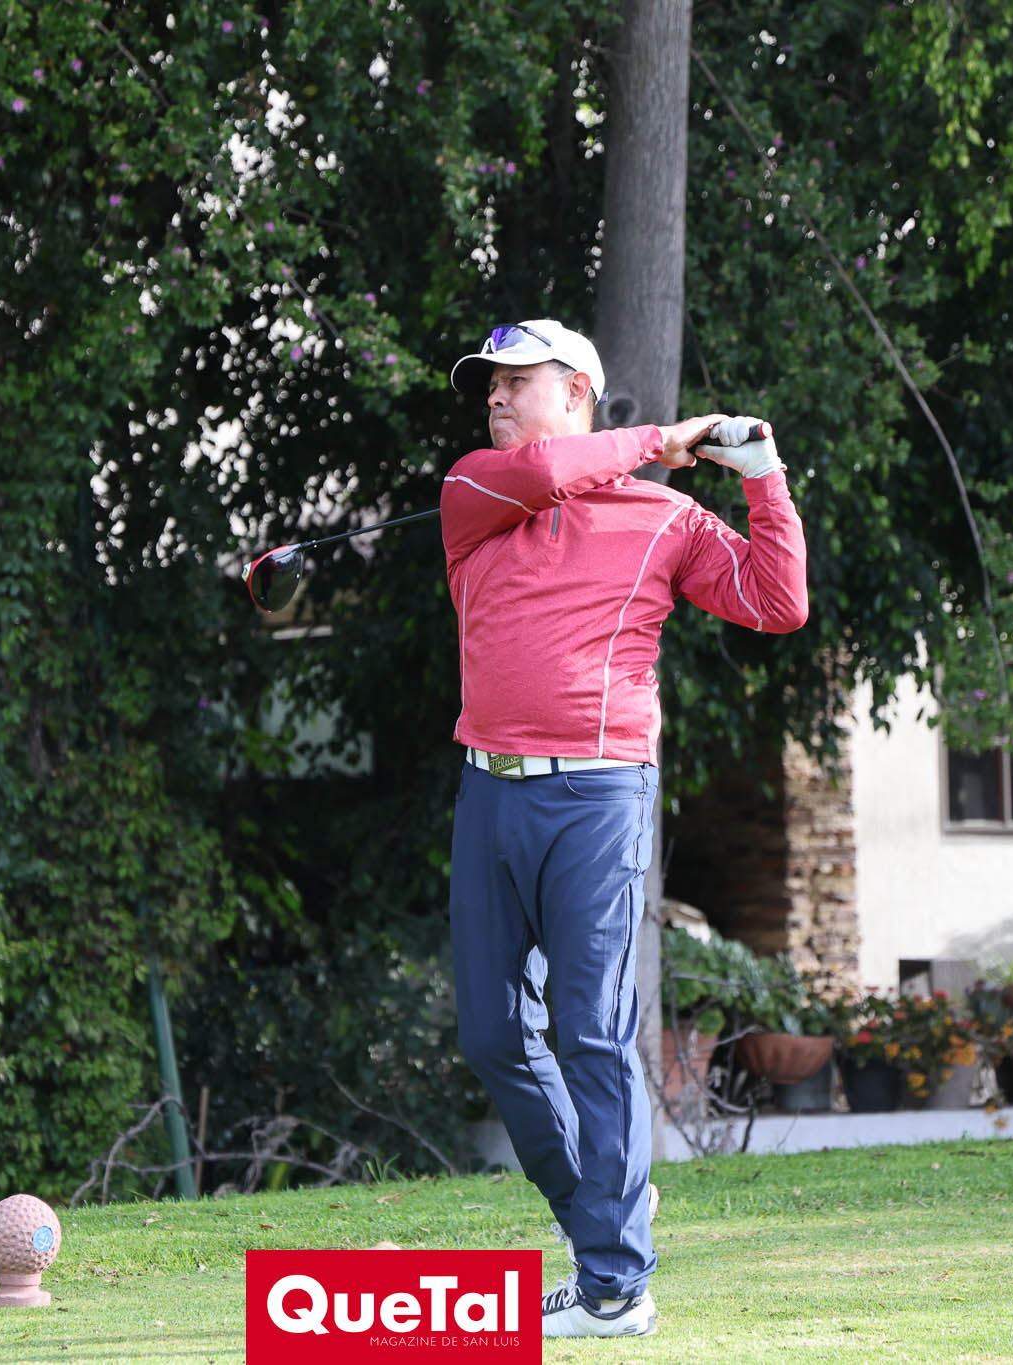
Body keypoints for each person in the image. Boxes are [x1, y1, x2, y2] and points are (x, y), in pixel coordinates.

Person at [440, 320, 808, 1339]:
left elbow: (778, 601)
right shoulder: (475, 490)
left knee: (592, 1029)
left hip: (597, 797)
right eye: (489, 386)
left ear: (576, 392)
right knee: (491, 1034)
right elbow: (548, 472)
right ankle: (605, 1226)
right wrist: (660, 438)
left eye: (516, 382)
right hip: (488, 789)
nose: (495, 398)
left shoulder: (664, 519)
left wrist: (761, 480)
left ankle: (611, 1285)